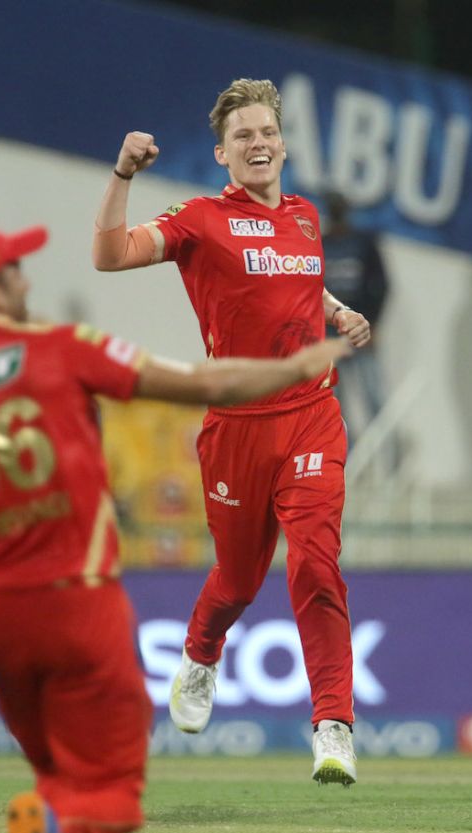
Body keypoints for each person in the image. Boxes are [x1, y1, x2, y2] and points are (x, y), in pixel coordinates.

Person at [0, 217, 348, 833]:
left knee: (57, 778)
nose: (25, 279)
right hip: (75, 603)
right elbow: (203, 384)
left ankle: (46, 827)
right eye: (14, 269)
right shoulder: (58, 347)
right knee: (110, 800)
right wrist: (297, 366)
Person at [91, 78, 370, 786]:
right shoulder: (201, 219)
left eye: (267, 133)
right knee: (240, 578)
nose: (258, 144)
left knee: (315, 563)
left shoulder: (306, 218)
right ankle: (201, 650)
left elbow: (295, 277)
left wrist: (336, 311)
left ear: (283, 144)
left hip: (311, 415)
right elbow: (112, 254)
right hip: (237, 427)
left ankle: (333, 724)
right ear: (222, 153)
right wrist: (123, 174)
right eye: (243, 135)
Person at [321, 190, 394, 457]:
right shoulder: (320, 243)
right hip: (329, 336)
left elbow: (382, 285)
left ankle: (389, 463)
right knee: (334, 406)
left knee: (373, 399)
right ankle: (343, 462)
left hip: (359, 331)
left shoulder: (363, 242)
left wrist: (374, 323)